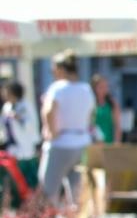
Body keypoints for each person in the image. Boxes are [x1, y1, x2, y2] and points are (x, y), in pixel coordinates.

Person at [39, 52, 96, 208]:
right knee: (78, 190)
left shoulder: (57, 88)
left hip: (61, 142)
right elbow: (91, 116)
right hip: (82, 141)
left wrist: (51, 132)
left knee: (49, 189)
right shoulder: (86, 89)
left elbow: (49, 110)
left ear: (60, 69)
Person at [1, 81, 41, 203]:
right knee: (15, 180)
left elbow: (32, 126)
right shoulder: (6, 107)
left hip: (26, 149)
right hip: (12, 150)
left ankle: (33, 203)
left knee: (29, 178)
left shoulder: (25, 106)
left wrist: (18, 118)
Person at [90, 74, 123, 145]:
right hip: (93, 144)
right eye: (101, 87)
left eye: (106, 86)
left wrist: (117, 143)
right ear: (94, 88)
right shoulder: (90, 104)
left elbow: (117, 126)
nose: (104, 89)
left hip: (109, 143)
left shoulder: (112, 104)